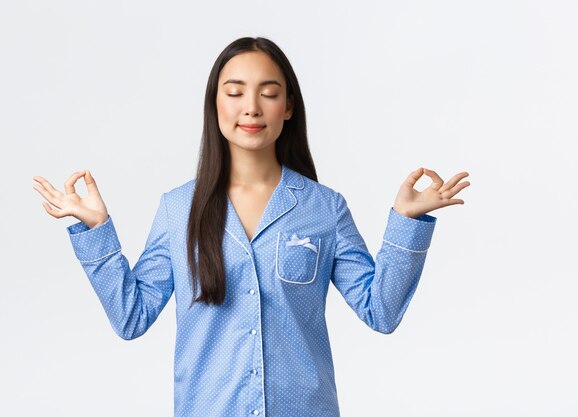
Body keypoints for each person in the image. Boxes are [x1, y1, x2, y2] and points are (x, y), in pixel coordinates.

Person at [32, 36, 469, 417]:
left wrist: (407, 222)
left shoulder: (323, 208)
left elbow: (382, 310)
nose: (251, 108)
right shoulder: (178, 208)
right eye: (235, 92)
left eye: (268, 93)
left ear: (289, 106)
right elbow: (131, 317)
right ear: (215, 104)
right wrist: (96, 231)